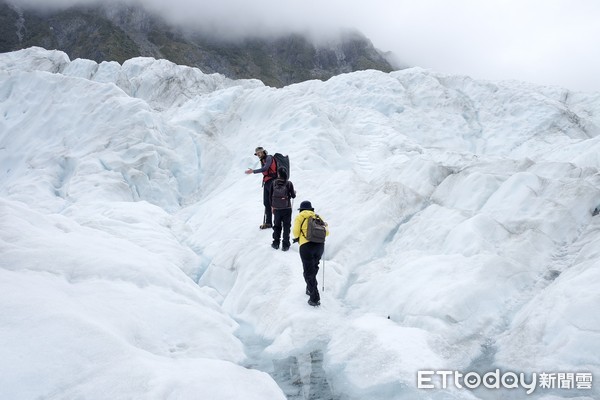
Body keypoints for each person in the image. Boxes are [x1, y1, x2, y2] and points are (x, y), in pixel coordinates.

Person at [292, 201, 329, 307]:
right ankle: (310, 288)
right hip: (319, 246)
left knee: (308, 272)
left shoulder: (300, 216)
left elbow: (295, 232)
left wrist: (299, 238)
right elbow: (327, 232)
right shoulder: (318, 217)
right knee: (314, 267)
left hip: (306, 246)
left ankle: (314, 298)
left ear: (301, 209)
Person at [245, 146, 277, 229]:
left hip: (272, 181)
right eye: (257, 154)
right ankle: (268, 223)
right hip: (267, 182)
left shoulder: (269, 158)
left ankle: (277, 222)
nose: (258, 154)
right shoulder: (263, 160)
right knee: (266, 202)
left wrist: (253, 171)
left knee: (273, 202)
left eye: (260, 153)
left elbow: (265, 168)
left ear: (263, 152)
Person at [270, 167, 296, 251]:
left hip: (277, 209)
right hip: (287, 208)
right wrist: (294, 193)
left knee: (277, 226)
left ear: (278, 174)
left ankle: (276, 243)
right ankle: (285, 245)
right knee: (286, 226)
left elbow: (270, 196)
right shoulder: (289, 184)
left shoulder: (273, 183)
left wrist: (272, 206)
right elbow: (293, 196)